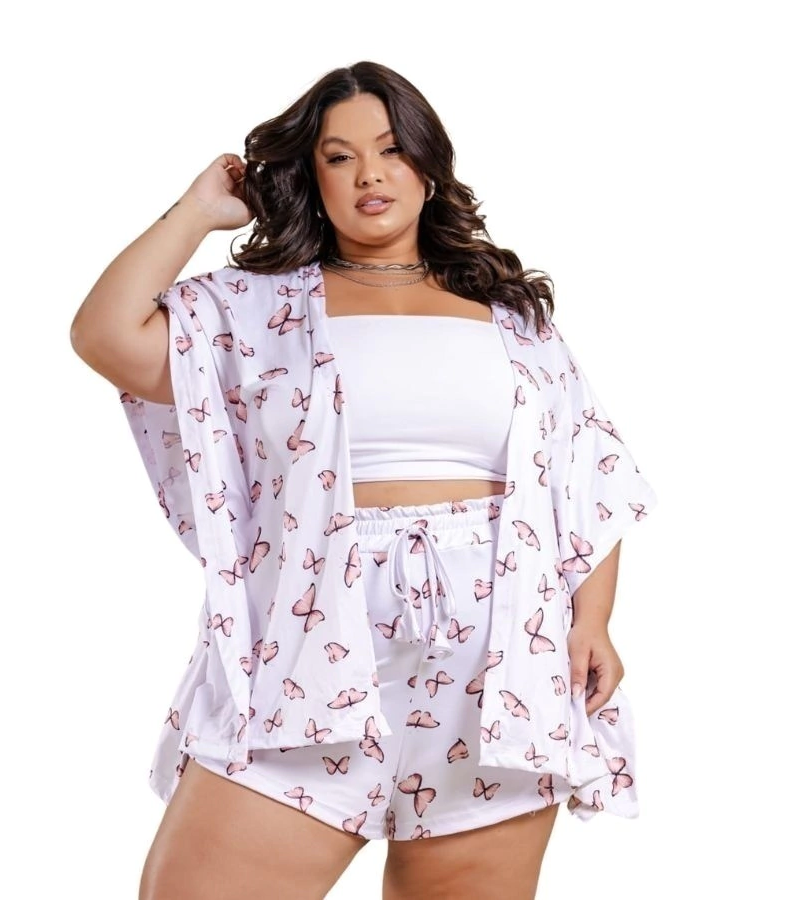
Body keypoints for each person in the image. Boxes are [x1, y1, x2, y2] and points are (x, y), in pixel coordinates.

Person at [70, 60, 658, 900]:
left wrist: (593, 621)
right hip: (310, 653)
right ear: (313, 180)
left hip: (498, 660)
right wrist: (197, 211)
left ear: (428, 166)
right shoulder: (254, 309)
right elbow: (104, 334)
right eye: (339, 158)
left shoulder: (513, 317)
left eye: (390, 150)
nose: (370, 175)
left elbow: (587, 476)